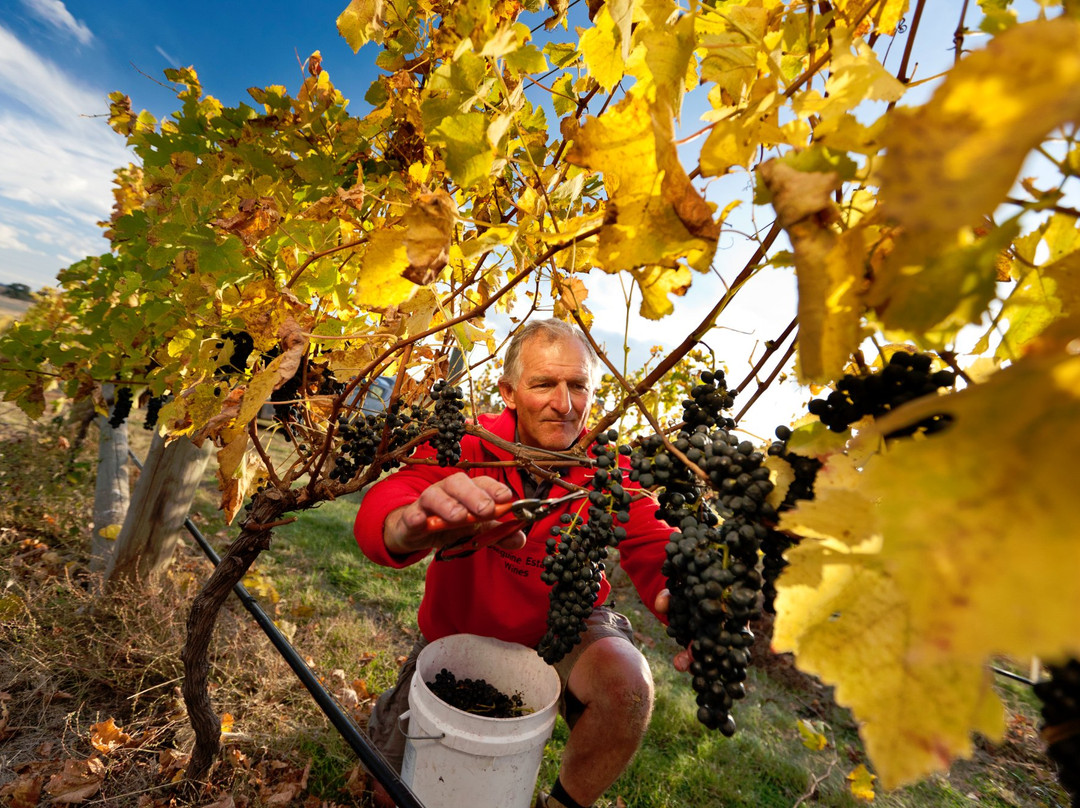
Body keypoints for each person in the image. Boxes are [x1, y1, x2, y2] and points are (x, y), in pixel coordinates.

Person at [354, 318, 677, 808]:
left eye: (578, 386)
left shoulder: (609, 468)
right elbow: (402, 491)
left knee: (626, 687)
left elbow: (654, 541)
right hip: (457, 632)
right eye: (545, 384)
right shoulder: (467, 442)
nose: (564, 404)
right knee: (389, 789)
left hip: (564, 625)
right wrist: (400, 526)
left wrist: (685, 594)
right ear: (508, 392)